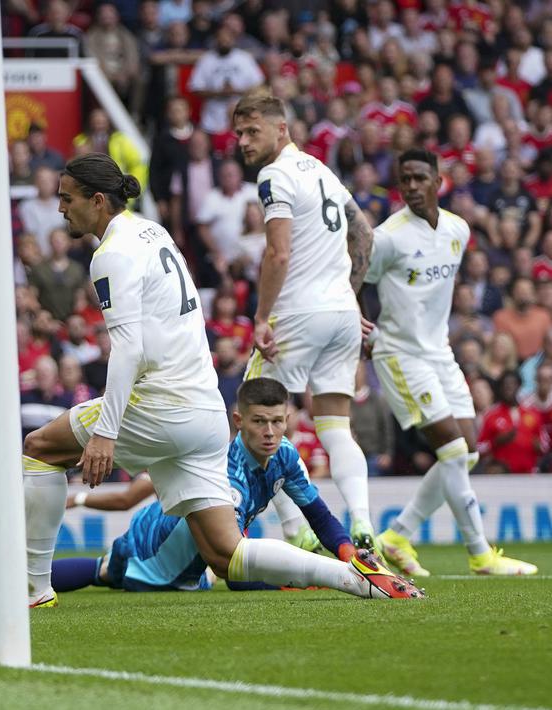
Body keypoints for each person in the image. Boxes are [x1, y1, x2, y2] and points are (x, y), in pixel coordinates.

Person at [20, 153, 418, 610]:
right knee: (225, 554)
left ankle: (32, 591)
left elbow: (128, 348)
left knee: (39, 449)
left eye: (67, 199)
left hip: (160, 404)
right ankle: (356, 578)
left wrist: (106, 433)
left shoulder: (109, 254)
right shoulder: (153, 231)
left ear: (96, 200)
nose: (60, 209)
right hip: (205, 412)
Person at [50, 379, 413, 597]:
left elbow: (318, 514)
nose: (269, 433)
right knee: (108, 572)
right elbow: (235, 571)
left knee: (104, 572)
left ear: (287, 420)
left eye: (276, 422)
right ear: (238, 421)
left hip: (185, 551)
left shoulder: (285, 454)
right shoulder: (229, 474)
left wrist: (351, 555)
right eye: (259, 422)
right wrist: (304, 580)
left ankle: (6, 581)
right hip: (153, 546)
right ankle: (5, 582)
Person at [363, 149, 536, 577]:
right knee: (454, 450)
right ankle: (480, 554)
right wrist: (359, 323)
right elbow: (354, 277)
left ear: (439, 182)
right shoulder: (387, 237)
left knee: (468, 452)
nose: (412, 186)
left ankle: (397, 536)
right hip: (400, 354)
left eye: (421, 177)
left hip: (440, 352)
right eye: (405, 179)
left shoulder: (458, 230)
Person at [233, 91, 379, 554]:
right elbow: (365, 235)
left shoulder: (274, 176)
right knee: (336, 425)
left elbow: (278, 252)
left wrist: (260, 317)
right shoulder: (322, 170)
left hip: (296, 313)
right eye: (238, 133)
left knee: (257, 421)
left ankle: (295, 530)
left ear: (282, 129)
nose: (242, 141)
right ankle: (362, 522)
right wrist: (349, 298)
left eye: (252, 131)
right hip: (340, 314)